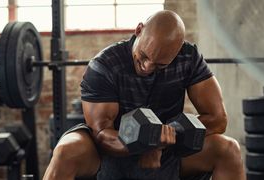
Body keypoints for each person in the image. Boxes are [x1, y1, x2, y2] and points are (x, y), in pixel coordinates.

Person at [43, 10, 246, 180]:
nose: (148, 67)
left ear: (177, 51)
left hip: (167, 152)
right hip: (110, 154)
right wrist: (147, 142)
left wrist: (167, 137)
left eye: (160, 64)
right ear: (139, 30)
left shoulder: (188, 58)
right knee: (65, 152)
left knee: (228, 149)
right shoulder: (104, 65)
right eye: (144, 56)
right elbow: (102, 134)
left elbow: (218, 119)